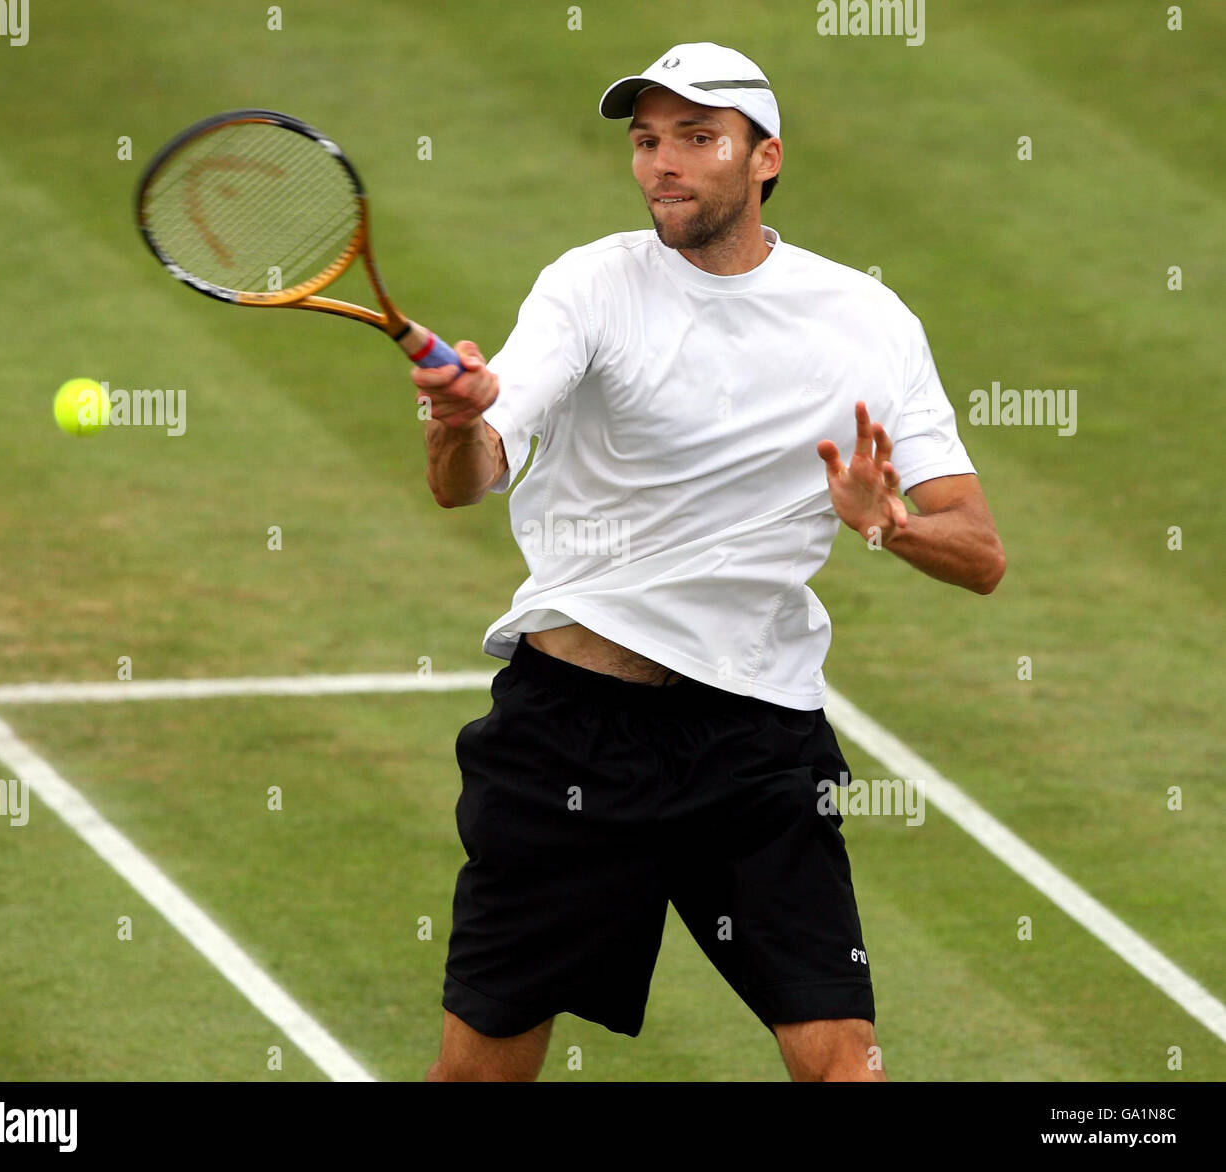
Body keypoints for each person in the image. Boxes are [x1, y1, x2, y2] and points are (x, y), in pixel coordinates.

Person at [411, 41, 1005, 1082]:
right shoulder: (590, 286)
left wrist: (888, 524)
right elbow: (470, 474)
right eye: (646, 141)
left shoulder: (867, 320)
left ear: (764, 157)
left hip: (755, 738)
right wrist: (454, 418)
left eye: (695, 138)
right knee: (480, 1072)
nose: (661, 164)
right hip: (570, 738)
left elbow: (982, 553)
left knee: (843, 1063)